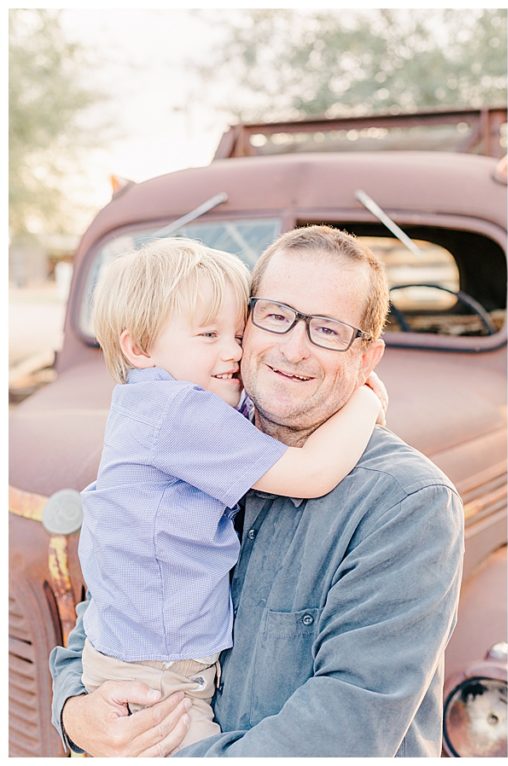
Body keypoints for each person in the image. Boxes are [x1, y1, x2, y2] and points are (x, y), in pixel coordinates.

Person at [50, 226, 465, 756]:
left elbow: (343, 731)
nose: (293, 349)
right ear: (247, 321)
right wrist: (76, 714)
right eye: (276, 315)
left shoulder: (407, 504)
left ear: (366, 359)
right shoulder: (202, 440)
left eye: (329, 330)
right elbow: (115, 597)